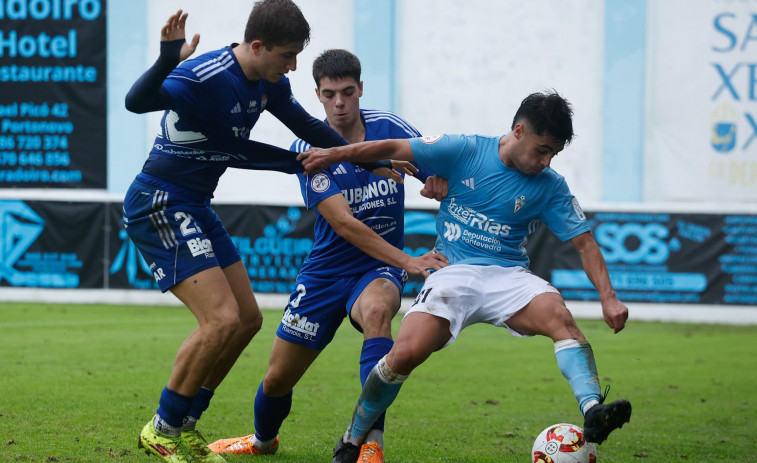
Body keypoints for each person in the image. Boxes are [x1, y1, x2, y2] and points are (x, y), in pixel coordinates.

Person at [122, 4, 397, 463]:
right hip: (161, 202)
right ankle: (162, 427)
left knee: (246, 319)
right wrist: (169, 58)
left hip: (194, 204)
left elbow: (309, 129)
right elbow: (139, 102)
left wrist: (369, 159)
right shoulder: (207, 74)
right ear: (256, 46)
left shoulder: (269, 82)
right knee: (221, 319)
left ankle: (186, 424)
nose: (292, 66)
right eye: (288, 55)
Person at [298, 90, 633, 463]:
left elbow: (585, 245)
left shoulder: (551, 186)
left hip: (508, 276)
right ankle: (353, 439)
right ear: (519, 131)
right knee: (404, 354)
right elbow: (394, 145)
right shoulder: (465, 150)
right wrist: (333, 153)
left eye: (553, 153)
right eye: (542, 150)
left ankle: (592, 413)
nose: (546, 161)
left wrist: (608, 297)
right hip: (452, 272)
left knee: (561, 318)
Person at [207, 49, 449, 463]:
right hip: (324, 272)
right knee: (277, 378)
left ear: (360, 90)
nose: (339, 103)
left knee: (377, 312)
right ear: (317, 95)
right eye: (329, 94)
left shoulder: (390, 128)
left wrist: (439, 180)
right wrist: (410, 260)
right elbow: (344, 225)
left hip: (378, 267)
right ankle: (263, 441)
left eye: (347, 92)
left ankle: (371, 442)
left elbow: (440, 169)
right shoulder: (309, 147)